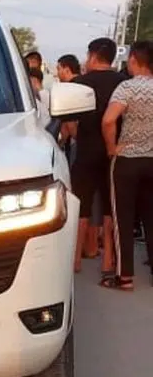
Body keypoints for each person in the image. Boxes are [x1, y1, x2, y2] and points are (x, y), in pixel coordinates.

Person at [69, 37, 126, 274]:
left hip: (86, 150)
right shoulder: (123, 83)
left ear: (92, 55)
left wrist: (78, 138)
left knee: (80, 204)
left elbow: (71, 123)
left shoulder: (79, 83)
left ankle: (75, 260)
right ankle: (108, 260)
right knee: (110, 206)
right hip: (114, 151)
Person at [101, 40, 153, 291]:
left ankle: (125, 277)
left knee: (123, 218)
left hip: (128, 161)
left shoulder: (127, 87)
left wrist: (112, 148)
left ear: (133, 59)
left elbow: (109, 120)